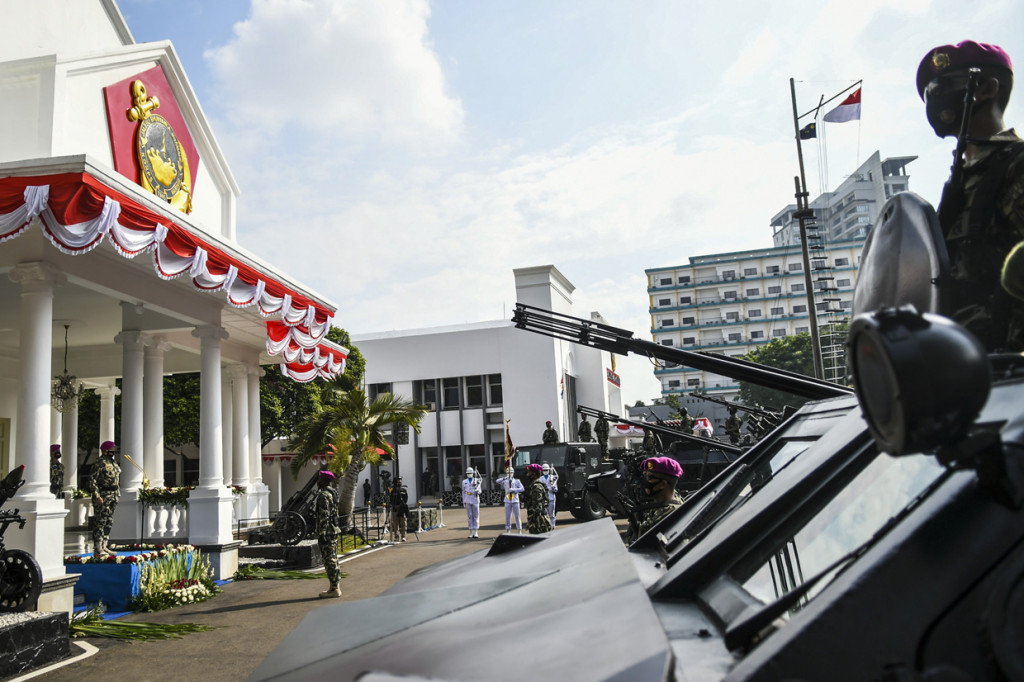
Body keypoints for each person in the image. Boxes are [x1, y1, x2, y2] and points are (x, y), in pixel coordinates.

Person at [917, 40, 1024, 352]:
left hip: (1013, 366)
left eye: (942, 88)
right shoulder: (960, 183)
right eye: (929, 95)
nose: (934, 102)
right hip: (966, 364)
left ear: (987, 89)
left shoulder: (1016, 164)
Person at [626, 456, 684, 545]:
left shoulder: (667, 516)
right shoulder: (661, 499)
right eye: (644, 475)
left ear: (662, 484)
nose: (643, 481)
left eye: (648, 477)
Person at [89, 440, 120, 557]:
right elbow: (93, 480)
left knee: (109, 522)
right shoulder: (99, 463)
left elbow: (116, 480)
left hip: (113, 496)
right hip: (103, 496)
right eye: (111, 450)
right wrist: (97, 496)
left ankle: (104, 545)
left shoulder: (113, 463)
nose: (113, 452)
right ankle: (98, 547)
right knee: (100, 522)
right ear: (105, 450)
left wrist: (117, 494)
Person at [314, 470, 342, 598]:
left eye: (320, 479)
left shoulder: (323, 495)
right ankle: (335, 587)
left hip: (328, 532)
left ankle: (334, 588)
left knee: (329, 559)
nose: (318, 481)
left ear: (324, 480)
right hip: (334, 530)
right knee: (333, 558)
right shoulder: (333, 493)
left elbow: (324, 516)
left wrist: (322, 533)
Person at [524, 463, 552, 534]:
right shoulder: (536, 485)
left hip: (539, 523)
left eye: (529, 473)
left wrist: (533, 522)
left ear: (534, 474)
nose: (527, 475)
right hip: (538, 521)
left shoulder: (536, 487)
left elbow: (537, 508)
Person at [496, 467, 524, 532]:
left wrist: (514, 490)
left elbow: (522, 489)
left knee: (517, 516)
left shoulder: (517, 481)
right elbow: (497, 481)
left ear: (513, 473)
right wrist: (505, 478)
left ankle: (519, 529)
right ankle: (508, 529)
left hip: (515, 500)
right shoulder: (505, 481)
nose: (510, 474)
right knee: (508, 516)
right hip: (507, 500)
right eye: (508, 472)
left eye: (511, 472)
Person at [461, 466, 482, 538]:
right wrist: (464, 501)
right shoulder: (464, 481)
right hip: (467, 499)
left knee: (476, 516)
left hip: (475, 499)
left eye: (470, 473)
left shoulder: (477, 480)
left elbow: (480, 491)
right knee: (470, 516)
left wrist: (477, 491)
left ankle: (476, 532)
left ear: (473, 473)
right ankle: (471, 532)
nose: (469, 474)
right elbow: (463, 492)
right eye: (468, 473)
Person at [388, 476, 409, 542]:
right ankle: (396, 536)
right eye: (398, 480)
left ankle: (403, 536)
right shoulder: (392, 490)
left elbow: (405, 500)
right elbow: (391, 500)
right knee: (395, 524)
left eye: (400, 480)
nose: (400, 482)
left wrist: (401, 506)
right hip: (395, 509)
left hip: (402, 509)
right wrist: (394, 506)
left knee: (403, 523)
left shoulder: (403, 490)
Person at [541, 463, 558, 529]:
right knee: (545, 514)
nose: (545, 471)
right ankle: (546, 526)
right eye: (544, 470)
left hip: (551, 498)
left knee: (552, 514)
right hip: (544, 498)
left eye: (546, 470)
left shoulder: (552, 477)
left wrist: (554, 488)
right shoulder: (540, 479)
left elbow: (556, 489)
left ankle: (553, 526)